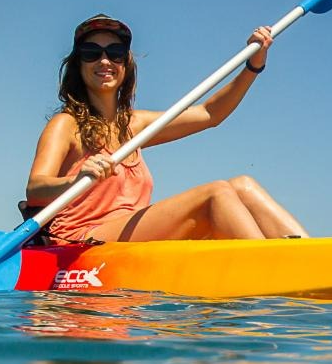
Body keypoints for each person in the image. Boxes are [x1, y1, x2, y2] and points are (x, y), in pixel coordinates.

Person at [25, 14, 308, 243]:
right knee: (216, 194)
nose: (104, 61)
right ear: (78, 65)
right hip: (82, 243)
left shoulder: (136, 125)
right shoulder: (66, 124)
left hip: (128, 235)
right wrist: (75, 182)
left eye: (115, 52)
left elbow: (210, 113)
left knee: (243, 186)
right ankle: (272, 269)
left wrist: (252, 66)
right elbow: (35, 189)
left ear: (126, 63)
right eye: (91, 53)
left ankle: (308, 258)